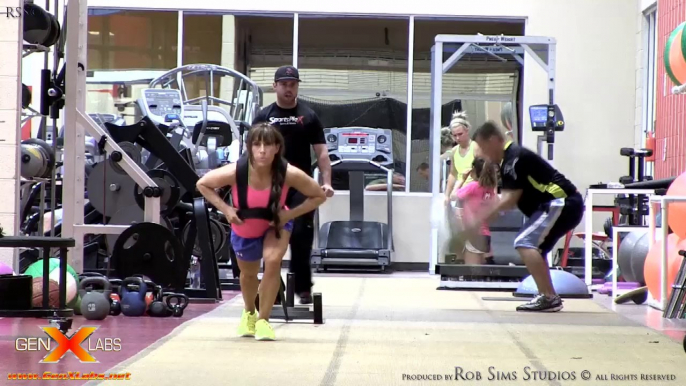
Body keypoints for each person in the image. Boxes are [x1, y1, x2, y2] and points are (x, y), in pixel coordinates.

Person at [196, 123, 327, 340]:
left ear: (277, 148)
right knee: (248, 274)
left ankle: (264, 320)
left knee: (273, 261)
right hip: (245, 226)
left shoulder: (289, 173)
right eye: (257, 145)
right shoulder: (236, 170)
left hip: (276, 224)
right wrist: (227, 209)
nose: (263, 150)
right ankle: (249, 312)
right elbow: (203, 184)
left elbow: (319, 195)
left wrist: (289, 214)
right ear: (250, 148)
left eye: (268, 145)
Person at [468, 121, 584, 312]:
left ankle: (548, 296)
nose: (482, 154)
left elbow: (510, 199)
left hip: (561, 202)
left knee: (524, 241)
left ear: (495, 140)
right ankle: (548, 296)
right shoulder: (507, 162)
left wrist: (481, 218)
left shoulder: (515, 158)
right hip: (557, 205)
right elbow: (508, 197)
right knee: (536, 248)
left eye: (483, 147)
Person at [252, 65, 334, 304]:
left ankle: (303, 287)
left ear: (297, 86)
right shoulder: (264, 116)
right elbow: (252, 152)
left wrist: (326, 182)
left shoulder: (308, 116)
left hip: (301, 185)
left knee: (300, 234)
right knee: (269, 234)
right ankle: (273, 288)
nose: (288, 88)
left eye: (293, 84)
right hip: (271, 183)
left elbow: (322, 153)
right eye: (284, 84)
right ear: (275, 86)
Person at [450, 157, 498, 265]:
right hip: (485, 235)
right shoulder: (489, 189)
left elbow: (453, 196)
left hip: (474, 235)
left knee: (471, 273)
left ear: (474, 171)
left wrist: (462, 179)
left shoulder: (473, 186)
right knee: (481, 273)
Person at [444, 111, 480, 205]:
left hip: (473, 194)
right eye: (454, 135)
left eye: (460, 134)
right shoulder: (454, 151)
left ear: (467, 130)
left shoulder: (476, 147)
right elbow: (452, 174)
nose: (457, 138)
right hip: (459, 194)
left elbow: (483, 174)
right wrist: (446, 195)